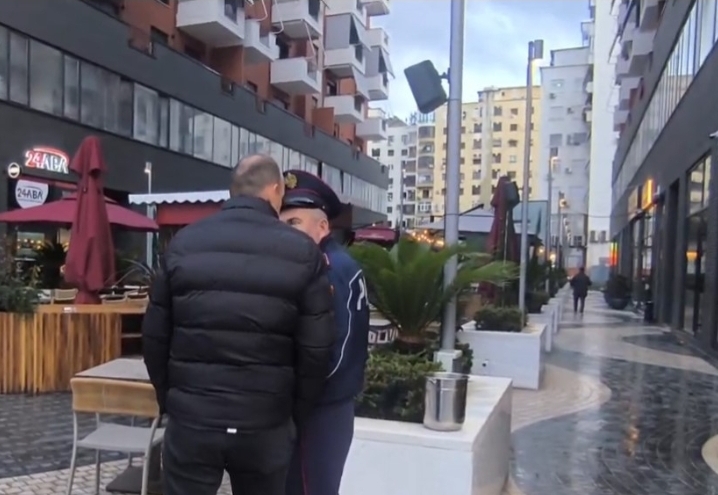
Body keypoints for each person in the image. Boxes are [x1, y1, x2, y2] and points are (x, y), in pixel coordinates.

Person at [142, 155, 336, 495]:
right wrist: (292, 414)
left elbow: (155, 337)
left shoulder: (184, 244)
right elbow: (316, 351)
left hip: (194, 419)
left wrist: (171, 400)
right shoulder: (303, 254)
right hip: (265, 421)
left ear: (233, 191)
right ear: (275, 190)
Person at [278, 170, 370, 495]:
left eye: (294, 222)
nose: (285, 231)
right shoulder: (330, 263)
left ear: (322, 227)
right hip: (324, 405)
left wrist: (297, 398)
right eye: (280, 222)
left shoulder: (329, 269)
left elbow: (335, 350)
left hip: (319, 408)